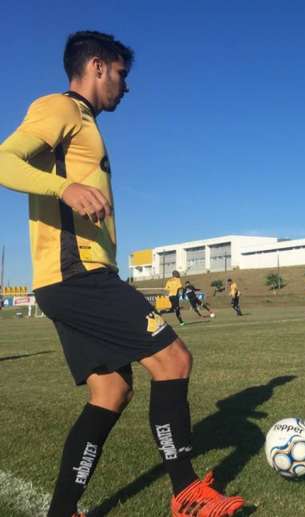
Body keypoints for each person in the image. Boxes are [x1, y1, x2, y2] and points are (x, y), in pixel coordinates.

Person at [0, 31, 244, 517]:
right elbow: (4, 160)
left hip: (73, 278)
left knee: (111, 391)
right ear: (96, 66)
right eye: (121, 74)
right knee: (173, 359)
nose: (125, 86)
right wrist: (64, 188)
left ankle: (62, 510)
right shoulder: (59, 108)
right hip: (78, 275)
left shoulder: (84, 122)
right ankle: (186, 494)